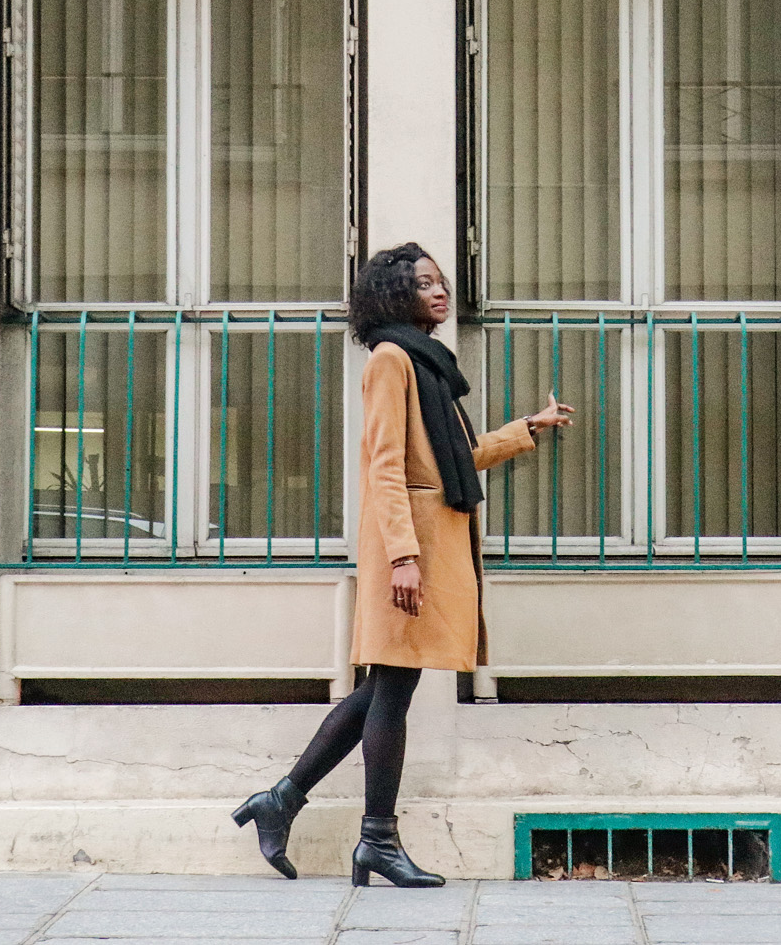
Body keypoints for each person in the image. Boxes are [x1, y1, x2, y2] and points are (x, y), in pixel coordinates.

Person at [232, 243, 573, 887]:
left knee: (385, 689)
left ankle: (284, 802)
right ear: (394, 295)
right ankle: (375, 840)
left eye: (439, 282)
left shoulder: (426, 363)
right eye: (422, 284)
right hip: (409, 550)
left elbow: (454, 458)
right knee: (390, 692)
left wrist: (527, 427)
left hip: (429, 544)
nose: (439, 292)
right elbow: (385, 467)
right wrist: (403, 558)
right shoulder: (391, 360)